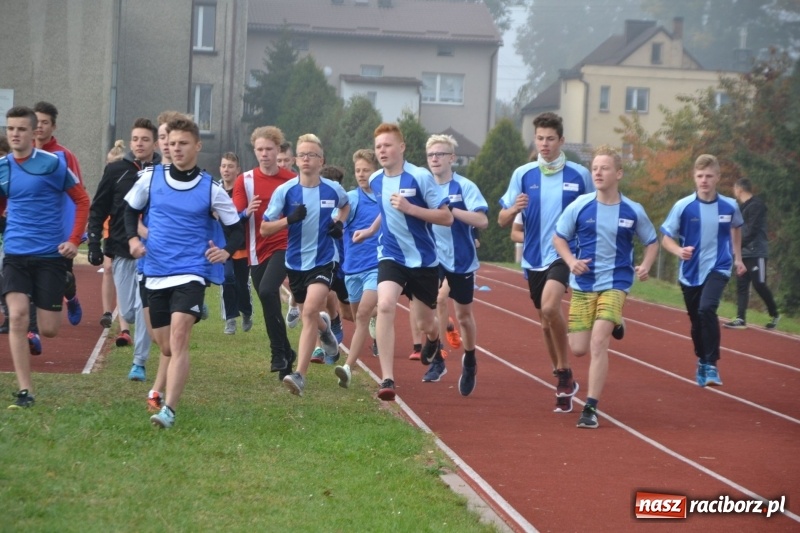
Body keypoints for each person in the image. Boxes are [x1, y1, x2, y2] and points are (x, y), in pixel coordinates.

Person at [125, 116, 244, 428]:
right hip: (154, 269)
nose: (176, 148)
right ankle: (189, 314)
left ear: (198, 145)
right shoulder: (151, 178)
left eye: (183, 143)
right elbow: (129, 210)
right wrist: (133, 239)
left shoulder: (211, 188)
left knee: (179, 339)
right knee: (163, 344)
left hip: (191, 271)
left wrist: (226, 251)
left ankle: (169, 410)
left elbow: (236, 230)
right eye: (172, 143)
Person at [554, 146, 658, 429]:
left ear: (619, 173)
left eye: (605, 168)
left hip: (616, 281)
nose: (598, 172)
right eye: (595, 168)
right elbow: (559, 238)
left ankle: (590, 408)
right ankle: (616, 321)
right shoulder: (580, 206)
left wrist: (646, 265)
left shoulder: (633, 210)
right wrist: (571, 261)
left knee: (599, 341)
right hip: (584, 283)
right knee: (578, 349)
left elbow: (651, 241)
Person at [498, 112, 593, 413]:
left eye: (550, 138)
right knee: (544, 321)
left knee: (551, 308)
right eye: (540, 138)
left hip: (564, 253)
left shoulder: (579, 175)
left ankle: (564, 373)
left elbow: (596, 212)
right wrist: (514, 208)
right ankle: (563, 375)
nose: (544, 144)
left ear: (561, 141)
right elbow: (501, 221)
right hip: (533, 258)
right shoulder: (523, 174)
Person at [352, 123, 453, 401]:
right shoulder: (375, 180)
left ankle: (433, 340)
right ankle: (388, 379)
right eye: (378, 147)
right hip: (391, 255)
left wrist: (411, 209)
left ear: (402, 147)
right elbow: (386, 209)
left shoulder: (420, 177)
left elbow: (446, 217)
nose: (382, 151)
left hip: (423, 260)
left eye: (387, 145)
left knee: (425, 323)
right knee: (384, 305)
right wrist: (372, 231)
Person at [1, 105, 90, 409]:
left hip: (50, 256)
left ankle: (67, 284)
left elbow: (81, 200)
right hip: (15, 254)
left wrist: (74, 240)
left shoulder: (53, 164)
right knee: (17, 316)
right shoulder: (3, 167)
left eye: (21, 129)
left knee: (49, 329)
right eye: (10, 128)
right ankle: (25, 391)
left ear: (32, 131)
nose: (14, 134)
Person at [261, 134, 349, 396]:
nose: (306, 159)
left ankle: (299, 375)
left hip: (324, 260)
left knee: (309, 311)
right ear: (296, 160)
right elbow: (265, 228)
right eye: (302, 155)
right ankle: (327, 334)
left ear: (321, 160)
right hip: (296, 262)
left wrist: (339, 224)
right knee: (307, 314)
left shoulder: (333, 189)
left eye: (312, 155)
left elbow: (345, 206)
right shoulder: (286, 191)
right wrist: (289, 220)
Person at [661, 154, 745, 388]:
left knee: (707, 308)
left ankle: (711, 364)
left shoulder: (729, 206)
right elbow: (666, 239)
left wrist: (737, 258)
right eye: (700, 176)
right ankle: (701, 358)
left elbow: (736, 228)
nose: (704, 180)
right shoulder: (684, 206)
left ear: (718, 177)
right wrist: (679, 251)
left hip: (719, 266)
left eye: (709, 176)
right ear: (694, 178)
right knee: (696, 319)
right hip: (690, 271)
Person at [87, 119, 160, 382]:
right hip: (120, 248)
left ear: (155, 143)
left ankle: (139, 362)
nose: (139, 144)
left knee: (143, 307)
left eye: (145, 139)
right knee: (128, 311)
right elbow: (98, 208)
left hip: (152, 252)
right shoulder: (116, 169)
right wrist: (94, 242)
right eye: (135, 139)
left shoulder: (163, 171)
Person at [424, 134, 488, 395]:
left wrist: (452, 212)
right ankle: (438, 357)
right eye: (431, 155)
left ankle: (470, 359)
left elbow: (482, 221)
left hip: (461, 259)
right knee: (435, 301)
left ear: (452, 158)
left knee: (463, 315)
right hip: (431, 257)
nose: (435, 159)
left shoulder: (465, 187)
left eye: (440, 154)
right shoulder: (423, 184)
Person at [232, 126, 296, 380]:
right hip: (256, 249)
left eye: (269, 149)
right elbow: (234, 215)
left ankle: (277, 352)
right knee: (269, 303)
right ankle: (287, 355)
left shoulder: (291, 180)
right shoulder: (245, 180)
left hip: (284, 244)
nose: (264, 154)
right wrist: (246, 211)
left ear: (278, 150)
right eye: (259, 149)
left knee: (270, 290)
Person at [33, 101, 84, 327]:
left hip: (58, 228)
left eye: (45, 122)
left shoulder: (64, 156)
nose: (39, 127)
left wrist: (75, 233)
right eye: (36, 122)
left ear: (53, 127)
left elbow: (79, 195)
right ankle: (30, 328)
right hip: (30, 228)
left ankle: (71, 297)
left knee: (63, 278)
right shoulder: (24, 153)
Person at [333, 149, 381, 388]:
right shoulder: (351, 198)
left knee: (361, 315)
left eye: (366, 170)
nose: (362, 175)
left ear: (376, 172)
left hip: (379, 265)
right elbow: (335, 220)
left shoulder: (385, 197)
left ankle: (348, 368)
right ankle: (377, 314)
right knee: (352, 315)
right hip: (352, 267)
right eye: (358, 171)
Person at [724, 177, 780, 330]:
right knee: (742, 285)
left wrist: (737, 245)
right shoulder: (740, 208)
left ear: (739, 189)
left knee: (759, 283)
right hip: (743, 253)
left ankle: (774, 314)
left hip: (757, 252)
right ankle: (740, 318)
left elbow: (753, 230)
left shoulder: (757, 205)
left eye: (735, 189)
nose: (734, 192)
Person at [99, 140, 132, 344]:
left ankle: (124, 327)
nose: (111, 167)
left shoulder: (127, 177)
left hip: (123, 228)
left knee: (120, 272)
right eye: (108, 164)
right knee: (108, 268)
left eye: (115, 163)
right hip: (109, 227)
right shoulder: (108, 177)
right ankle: (106, 312)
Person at [218, 152, 253, 335]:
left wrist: (246, 213)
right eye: (224, 166)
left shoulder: (244, 192)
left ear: (238, 170)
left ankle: (246, 311)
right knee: (226, 278)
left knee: (240, 282)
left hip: (240, 243)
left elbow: (243, 218)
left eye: (230, 166)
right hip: (223, 244)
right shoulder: (215, 190)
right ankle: (230, 319)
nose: (226, 170)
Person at [278, 141, 301, 327]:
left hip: (296, 238)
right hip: (275, 238)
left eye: (286, 160)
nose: (283, 164)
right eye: (279, 160)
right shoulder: (271, 181)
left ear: (293, 160)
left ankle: (293, 303)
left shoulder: (300, 181)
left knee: (296, 277)